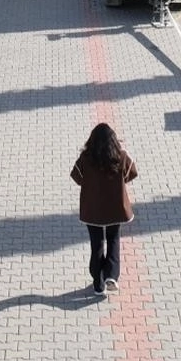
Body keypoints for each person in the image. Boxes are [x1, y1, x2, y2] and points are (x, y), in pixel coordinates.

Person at [70, 123, 138, 295]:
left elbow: (76, 177)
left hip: (92, 210)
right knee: (113, 240)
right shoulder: (121, 157)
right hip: (115, 208)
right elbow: (132, 172)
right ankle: (111, 276)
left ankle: (98, 284)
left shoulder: (86, 158)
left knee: (97, 244)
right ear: (114, 140)